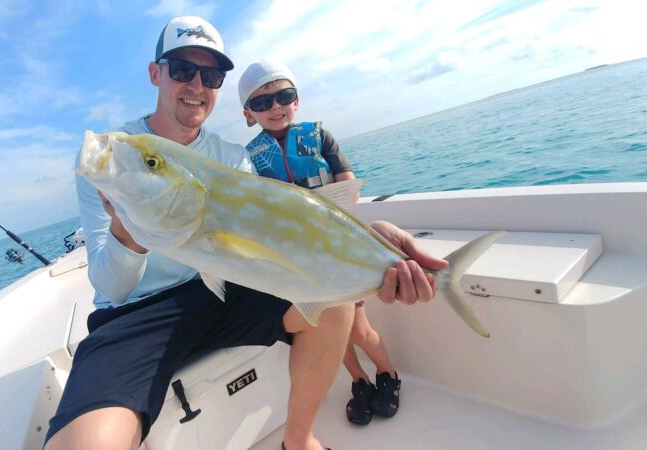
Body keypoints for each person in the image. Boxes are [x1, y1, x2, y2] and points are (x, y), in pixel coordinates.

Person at [46, 17, 444, 450]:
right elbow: (111, 287)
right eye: (182, 69)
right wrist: (130, 234)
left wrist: (369, 241)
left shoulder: (231, 158)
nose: (197, 84)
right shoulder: (118, 157)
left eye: (212, 75)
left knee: (334, 306)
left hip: (220, 286)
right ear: (155, 73)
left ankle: (298, 440)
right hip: (139, 312)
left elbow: (277, 231)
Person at [237, 59, 445, 426]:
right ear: (248, 113)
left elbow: (347, 188)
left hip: (338, 253)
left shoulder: (320, 137)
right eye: (261, 102)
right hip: (296, 264)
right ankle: (359, 381)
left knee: (358, 327)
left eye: (284, 95)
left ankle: (389, 375)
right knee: (327, 330)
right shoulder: (248, 160)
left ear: (296, 100)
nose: (275, 107)